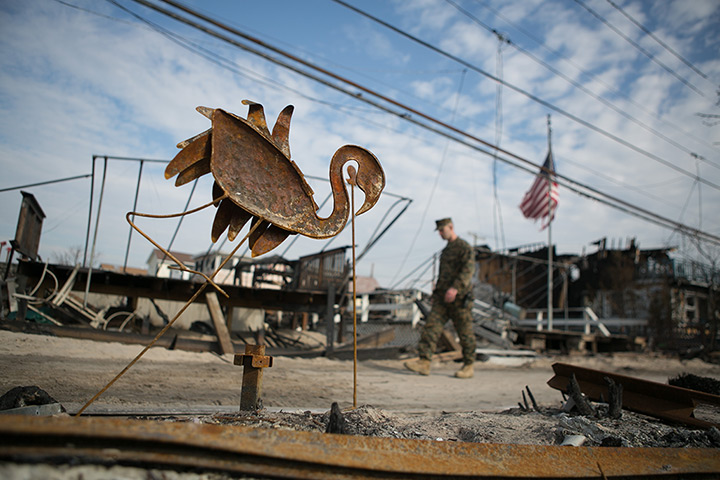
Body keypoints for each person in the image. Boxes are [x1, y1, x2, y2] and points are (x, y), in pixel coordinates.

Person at [404, 218, 476, 379]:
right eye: (439, 231)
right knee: (431, 327)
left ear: (451, 227)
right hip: (443, 298)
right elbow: (443, 275)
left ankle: (469, 365)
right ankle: (424, 362)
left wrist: (455, 288)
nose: (440, 234)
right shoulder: (446, 250)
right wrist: (436, 293)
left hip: (459, 298)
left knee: (465, 332)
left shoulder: (464, 247)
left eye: (442, 230)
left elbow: (467, 271)